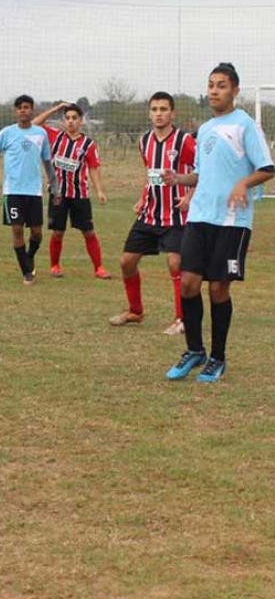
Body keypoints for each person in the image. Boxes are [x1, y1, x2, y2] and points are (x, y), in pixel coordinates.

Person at [163, 63, 274, 382]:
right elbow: (201, 173)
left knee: (218, 288)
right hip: (200, 216)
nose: (214, 90)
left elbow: (267, 168)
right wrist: (180, 180)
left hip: (232, 221)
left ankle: (218, 357)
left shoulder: (246, 126)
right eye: (211, 85)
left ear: (235, 91)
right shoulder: (207, 129)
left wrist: (243, 184)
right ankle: (194, 350)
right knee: (187, 283)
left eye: (221, 85)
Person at [109, 92, 196, 335]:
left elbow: (203, 169)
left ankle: (182, 319)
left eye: (163, 109)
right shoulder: (144, 140)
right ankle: (135, 311)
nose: (159, 113)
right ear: (149, 113)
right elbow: (151, 174)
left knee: (175, 263)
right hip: (149, 214)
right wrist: (141, 198)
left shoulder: (184, 141)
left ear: (172, 113)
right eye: (155, 109)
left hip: (176, 215)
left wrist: (189, 197)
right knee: (126, 262)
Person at [32, 101, 111, 279]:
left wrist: (99, 190)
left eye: (74, 118)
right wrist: (55, 108)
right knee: (58, 232)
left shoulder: (88, 144)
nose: (70, 121)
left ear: (81, 120)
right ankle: (54, 266)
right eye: (67, 118)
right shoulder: (54, 136)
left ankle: (98, 267)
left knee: (88, 231)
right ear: (63, 120)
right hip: (58, 194)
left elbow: (93, 168)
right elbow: (35, 123)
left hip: (80, 195)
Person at [0, 95, 56, 285]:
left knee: (36, 233)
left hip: (34, 192)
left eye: (26, 107)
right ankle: (27, 271)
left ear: (32, 110)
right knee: (17, 229)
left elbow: (47, 162)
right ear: (15, 112)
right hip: (13, 191)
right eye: (19, 108)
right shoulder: (7, 133)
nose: (23, 110)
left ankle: (29, 255)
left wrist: (54, 187)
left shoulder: (40, 134)